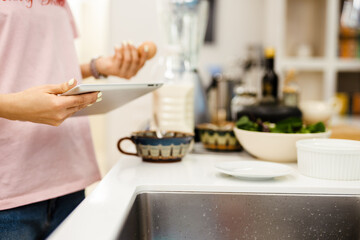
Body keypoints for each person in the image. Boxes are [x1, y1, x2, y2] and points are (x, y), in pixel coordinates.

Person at [0, 0, 151, 239]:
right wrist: (15, 107)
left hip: (68, 180)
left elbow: (40, 66)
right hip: (9, 193)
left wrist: (98, 67)